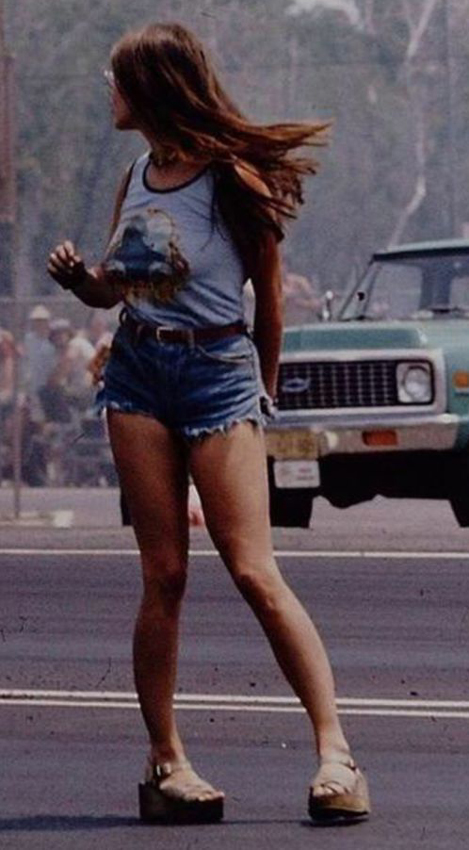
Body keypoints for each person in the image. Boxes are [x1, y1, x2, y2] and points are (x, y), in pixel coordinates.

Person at [47, 21, 370, 826]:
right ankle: (167, 765)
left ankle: (336, 756)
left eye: (119, 79)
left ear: (153, 86)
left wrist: (262, 393)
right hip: (137, 372)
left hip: (218, 376)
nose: (109, 92)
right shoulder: (136, 174)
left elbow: (269, 296)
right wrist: (82, 282)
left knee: (254, 571)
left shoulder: (232, 180)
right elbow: (119, 288)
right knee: (163, 574)